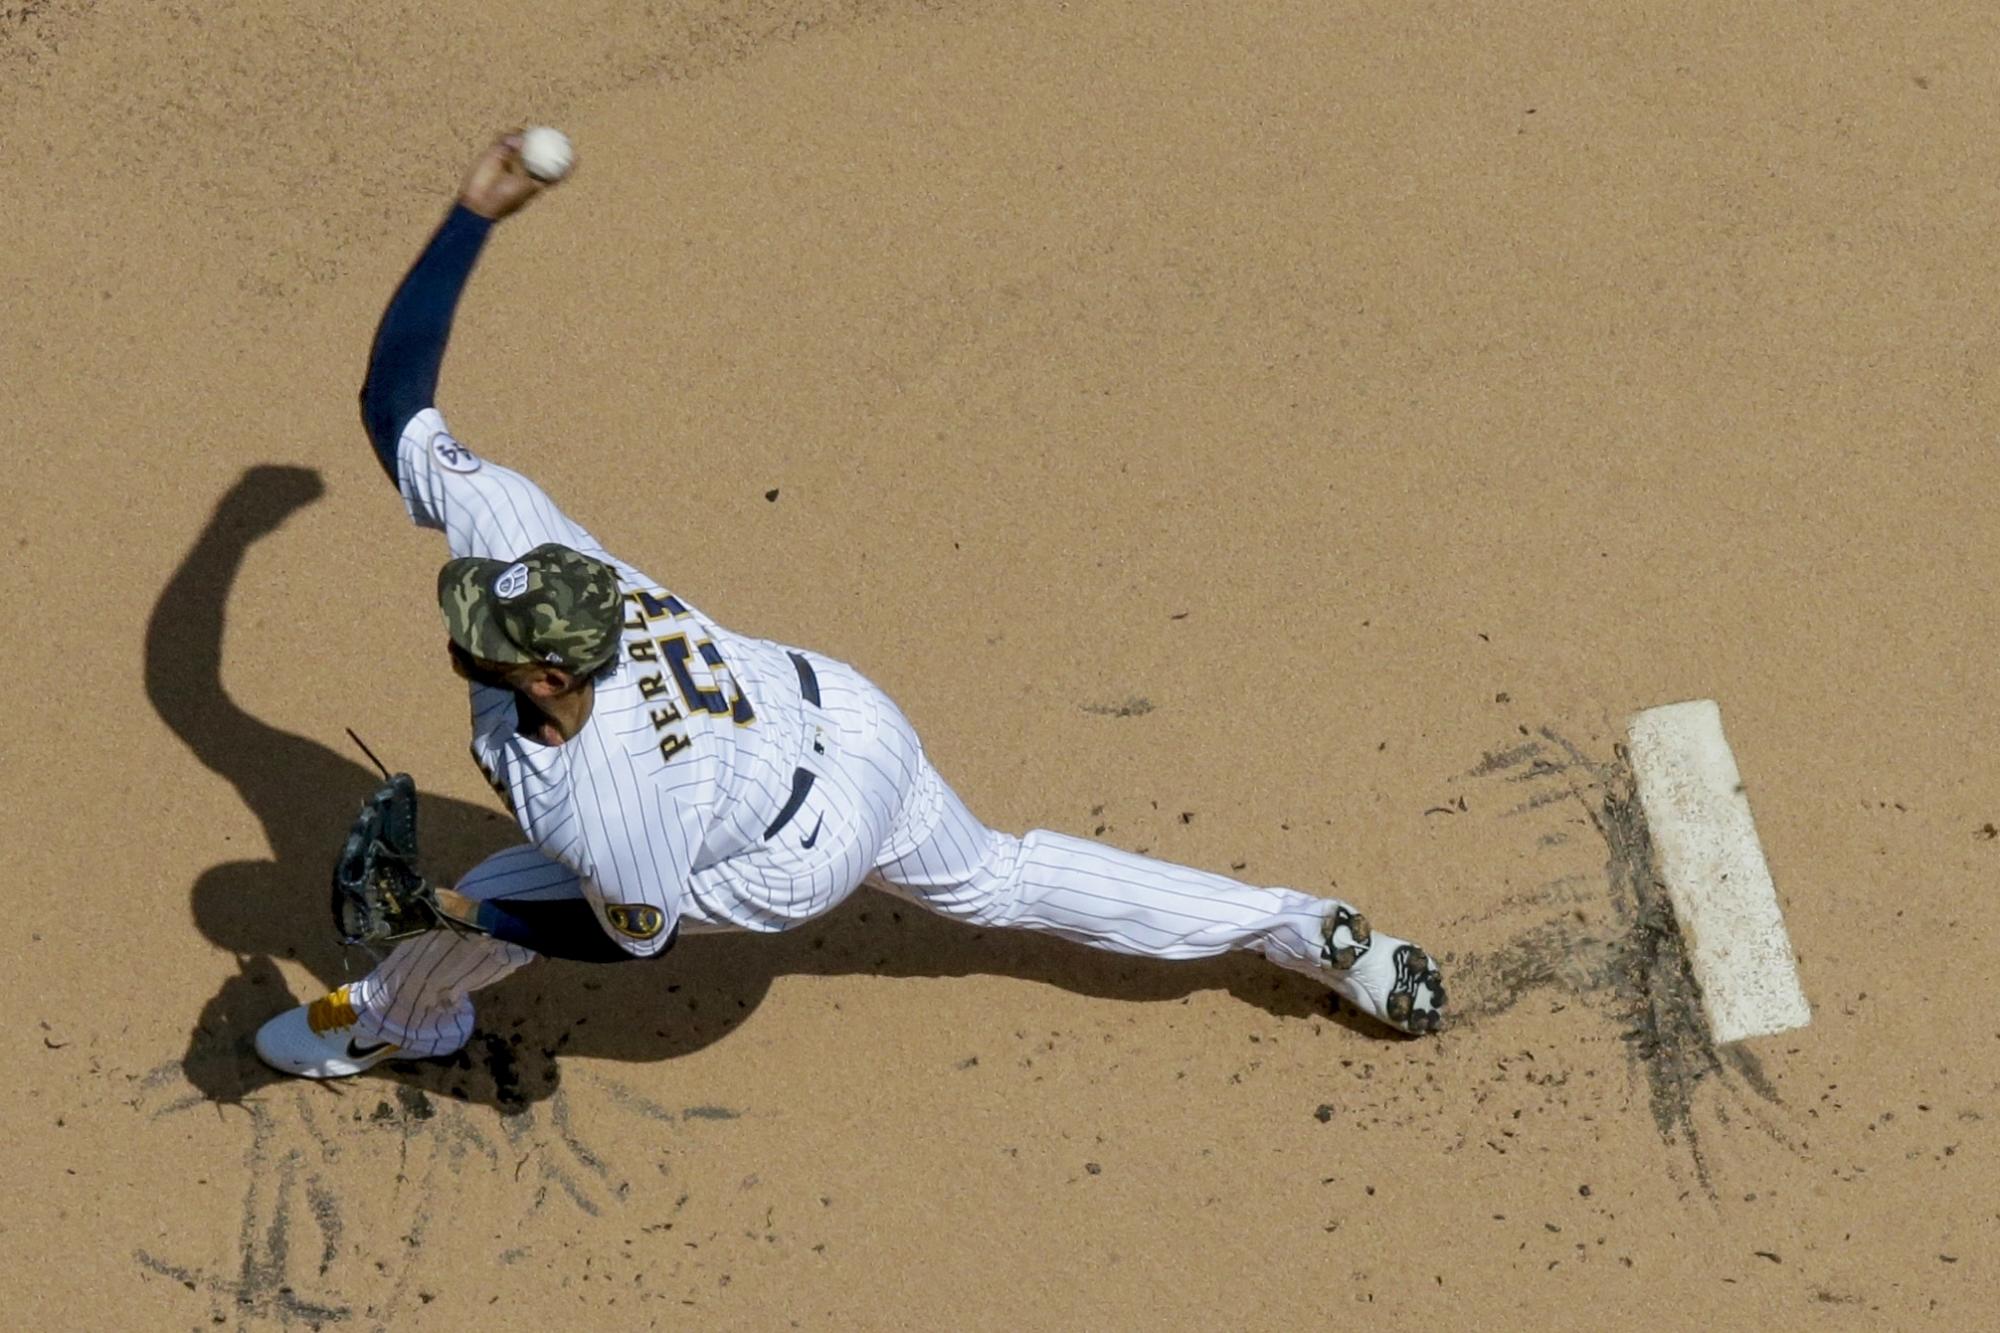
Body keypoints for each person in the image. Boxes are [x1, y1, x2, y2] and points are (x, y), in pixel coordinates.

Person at [253, 131, 1446, 1080]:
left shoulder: (606, 799)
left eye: (485, 641)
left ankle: (400, 1021)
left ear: (551, 677)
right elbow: (392, 398)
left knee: (488, 901)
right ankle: (1298, 926)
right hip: (850, 724)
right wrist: (473, 211)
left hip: (789, 861)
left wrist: (466, 910)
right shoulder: (540, 552)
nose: (460, 626)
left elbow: (636, 935)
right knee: (1000, 878)